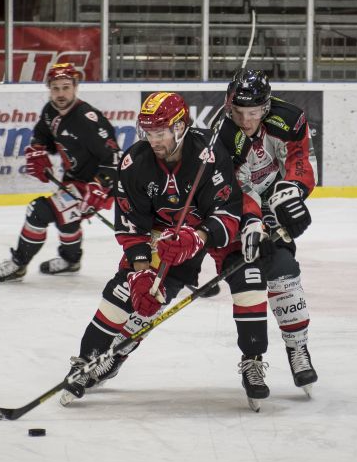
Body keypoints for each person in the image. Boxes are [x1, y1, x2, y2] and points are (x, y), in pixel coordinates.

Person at [59, 91, 273, 408]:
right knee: (126, 294)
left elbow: (229, 214)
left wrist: (197, 236)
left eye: (160, 132)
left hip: (212, 234)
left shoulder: (210, 155)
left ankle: (253, 361)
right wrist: (141, 273)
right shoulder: (135, 163)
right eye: (149, 132)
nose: (154, 139)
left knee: (249, 280)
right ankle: (92, 360)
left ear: (179, 127)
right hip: (166, 240)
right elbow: (132, 228)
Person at [216, 69, 319, 393]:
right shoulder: (220, 137)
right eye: (239, 113)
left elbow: (300, 162)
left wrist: (292, 192)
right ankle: (252, 359)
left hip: (272, 199)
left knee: (285, 272)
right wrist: (252, 221)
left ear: (266, 108)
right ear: (230, 107)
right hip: (238, 210)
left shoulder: (289, 120)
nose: (246, 120)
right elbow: (234, 188)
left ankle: (297, 347)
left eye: (254, 113)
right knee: (248, 281)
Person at [0, 63, 122, 283]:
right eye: (55, 88)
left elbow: (114, 157)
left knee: (39, 211)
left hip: (95, 185)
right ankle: (70, 260)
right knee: (66, 219)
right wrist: (38, 149)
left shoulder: (87, 119)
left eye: (66, 87)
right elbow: (42, 134)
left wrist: (99, 186)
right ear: (49, 88)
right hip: (73, 179)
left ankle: (18, 264)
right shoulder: (50, 111)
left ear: (76, 87)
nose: (60, 94)